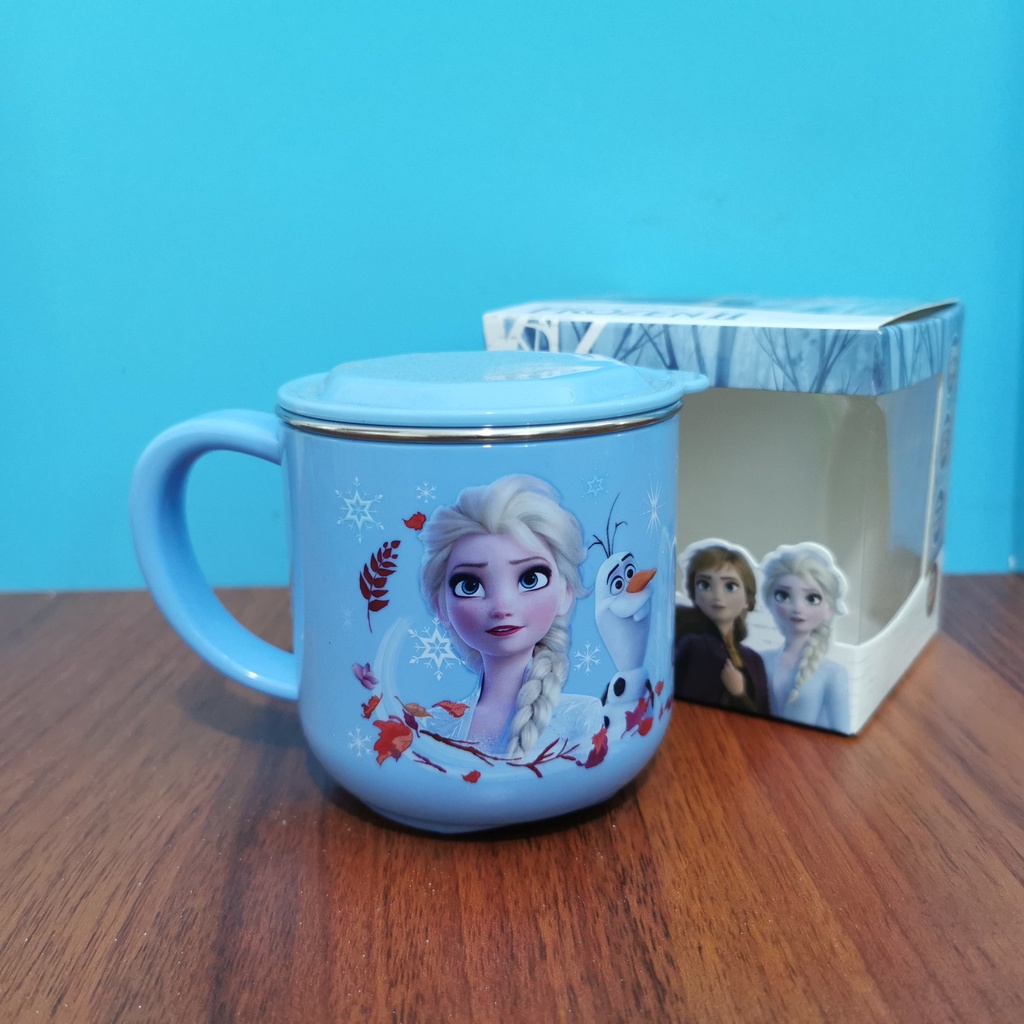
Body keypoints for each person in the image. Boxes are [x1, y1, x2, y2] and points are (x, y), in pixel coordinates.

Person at [420, 475, 597, 759]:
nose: (501, 607)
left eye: (530, 579)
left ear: (565, 593)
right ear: (442, 607)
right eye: (470, 585)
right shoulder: (433, 724)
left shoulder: (581, 717)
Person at [759, 543, 849, 731]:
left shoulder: (834, 673)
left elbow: (841, 728)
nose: (797, 608)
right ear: (769, 601)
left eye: (812, 599)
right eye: (783, 596)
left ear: (829, 609)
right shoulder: (761, 660)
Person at [674, 541, 769, 715]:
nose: (717, 596)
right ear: (694, 593)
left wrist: (739, 694)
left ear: (747, 599)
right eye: (704, 585)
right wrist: (739, 696)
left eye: (730, 586)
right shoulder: (695, 646)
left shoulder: (754, 660)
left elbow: (764, 715)